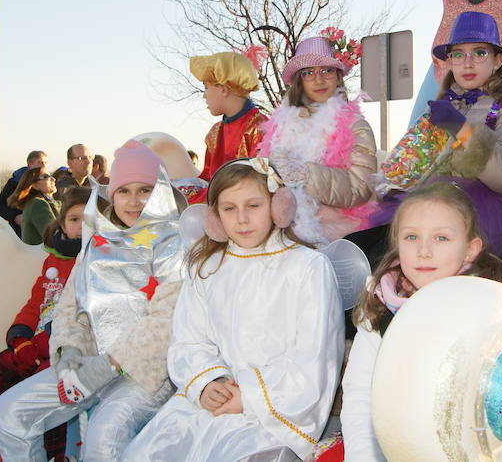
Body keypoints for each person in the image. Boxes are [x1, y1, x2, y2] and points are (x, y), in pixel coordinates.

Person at [121, 158, 344, 461]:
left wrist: (248, 396)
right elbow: (189, 340)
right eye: (229, 209)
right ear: (215, 218)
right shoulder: (207, 268)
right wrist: (206, 382)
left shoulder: (308, 267)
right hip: (210, 403)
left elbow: (314, 356)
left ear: (278, 206)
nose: (242, 219)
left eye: (253, 205)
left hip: (270, 413)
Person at [0, 140, 186, 461]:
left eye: (145, 190)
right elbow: (71, 306)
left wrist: (105, 367)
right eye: (124, 191)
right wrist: (68, 353)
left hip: (146, 372)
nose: (134, 201)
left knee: (104, 436)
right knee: (11, 412)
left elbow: (164, 324)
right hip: (89, 363)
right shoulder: (99, 242)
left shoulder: (174, 243)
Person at [336, 183, 502, 461]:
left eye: (441, 238)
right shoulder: (380, 306)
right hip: (397, 444)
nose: (423, 251)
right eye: (411, 237)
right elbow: (361, 396)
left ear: (470, 249)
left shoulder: (491, 307)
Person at [365, 11, 502, 258]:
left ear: (498, 60)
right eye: (459, 54)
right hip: (430, 206)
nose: (467, 63)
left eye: (480, 53)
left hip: (481, 215)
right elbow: (412, 158)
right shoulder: (437, 107)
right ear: (450, 62)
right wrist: (394, 185)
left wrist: (463, 131)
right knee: (375, 251)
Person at [0, 187, 88, 462]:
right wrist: (20, 337)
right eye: (74, 220)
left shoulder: (95, 262)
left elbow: (81, 315)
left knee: (44, 395)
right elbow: (36, 303)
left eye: (87, 220)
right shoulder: (53, 260)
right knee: (0, 369)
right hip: (38, 345)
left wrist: (43, 344)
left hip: (66, 350)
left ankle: (59, 454)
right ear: (62, 223)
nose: (80, 227)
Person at [258, 35, 378, 245]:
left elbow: (361, 188)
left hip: (335, 238)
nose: (319, 79)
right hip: (283, 236)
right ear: (299, 80)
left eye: (326, 70)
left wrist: (307, 174)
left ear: (338, 76)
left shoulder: (355, 125)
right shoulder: (279, 123)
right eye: (308, 73)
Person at [190, 51, 266, 199]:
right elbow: (206, 178)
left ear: (223, 89)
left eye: (206, 87)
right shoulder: (214, 133)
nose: (204, 95)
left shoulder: (259, 128)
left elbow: (260, 184)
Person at [0, 150, 47, 237]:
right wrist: (15, 216)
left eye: (45, 162)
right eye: (40, 162)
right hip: (19, 233)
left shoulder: (48, 183)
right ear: (30, 164)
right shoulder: (14, 182)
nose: (43, 165)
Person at [8, 168, 59, 246]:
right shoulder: (37, 204)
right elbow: (53, 237)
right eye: (46, 176)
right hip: (42, 257)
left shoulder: (44, 202)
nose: (53, 179)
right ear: (35, 185)